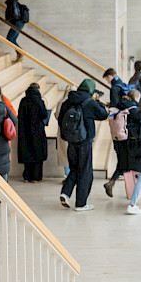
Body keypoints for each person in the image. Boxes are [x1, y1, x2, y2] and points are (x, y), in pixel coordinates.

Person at [58, 79, 109, 211]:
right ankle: (81, 203)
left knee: (74, 168)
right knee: (85, 172)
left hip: (71, 141)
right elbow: (103, 115)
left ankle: (65, 192)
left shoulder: (68, 101)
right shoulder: (89, 102)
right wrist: (97, 101)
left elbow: (60, 119)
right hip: (85, 142)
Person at [103, 88, 141, 198]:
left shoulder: (118, 104)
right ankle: (130, 191)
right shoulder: (133, 109)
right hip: (126, 140)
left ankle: (112, 183)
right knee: (127, 165)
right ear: (135, 97)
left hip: (116, 139)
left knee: (122, 163)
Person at [17, 83, 49, 183]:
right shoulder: (39, 101)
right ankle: (36, 177)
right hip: (37, 132)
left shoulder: (23, 100)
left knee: (27, 153)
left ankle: (27, 176)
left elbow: (20, 115)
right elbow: (44, 115)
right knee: (38, 154)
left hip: (25, 132)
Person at [55, 83, 74, 178]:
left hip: (63, 130)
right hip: (74, 131)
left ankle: (67, 174)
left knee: (64, 153)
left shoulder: (61, 102)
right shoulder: (76, 101)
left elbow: (57, 115)